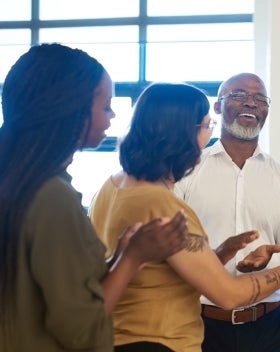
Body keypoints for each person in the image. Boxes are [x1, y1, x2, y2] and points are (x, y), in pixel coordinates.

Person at [89, 82, 280, 352]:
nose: (210, 136)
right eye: (208, 126)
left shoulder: (111, 186)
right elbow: (228, 294)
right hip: (159, 341)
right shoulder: (164, 205)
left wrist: (219, 253)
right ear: (184, 133)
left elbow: (160, 273)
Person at [0, 44, 188, 352]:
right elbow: (81, 329)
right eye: (106, 106)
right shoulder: (51, 198)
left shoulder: (20, 181)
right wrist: (133, 257)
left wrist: (117, 258)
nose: (113, 116)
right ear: (72, 109)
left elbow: (47, 289)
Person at [174, 72, 280, 352]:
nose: (250, 103)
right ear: (218, 106)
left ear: (266, 110)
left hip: (269, 330)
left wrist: (266, 263)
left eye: (260, 98)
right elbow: (175, 252)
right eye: (238, 95)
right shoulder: (185, 170)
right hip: (200, 329)